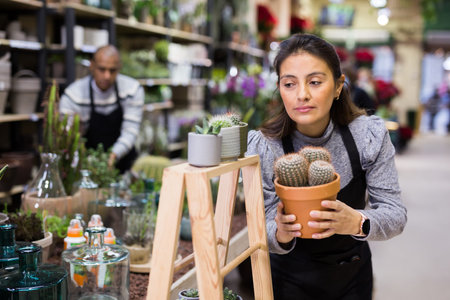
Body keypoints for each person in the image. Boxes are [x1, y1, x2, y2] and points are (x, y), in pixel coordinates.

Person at [247, 34, 407, 299]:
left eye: (315, 82)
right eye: (289, 84)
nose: (302, 94)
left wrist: (357, 221)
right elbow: (258, 223)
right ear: (279, 89)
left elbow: (395, 213)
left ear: (337, 86)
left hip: (351, 277)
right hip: (287, 280)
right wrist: (280, 232)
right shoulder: (265, 145)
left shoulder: (368, 136)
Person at [60, 45, 144, 173]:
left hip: (124, 163)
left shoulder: (132, 90)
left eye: (112, 70)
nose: (107, 76)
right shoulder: (73, 96)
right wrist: (86, 166)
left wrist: (113, 156)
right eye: (102, 69)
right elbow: (69, 138)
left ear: (119, 67)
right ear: (92, 66)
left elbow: (130, 131)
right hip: (88, 166)